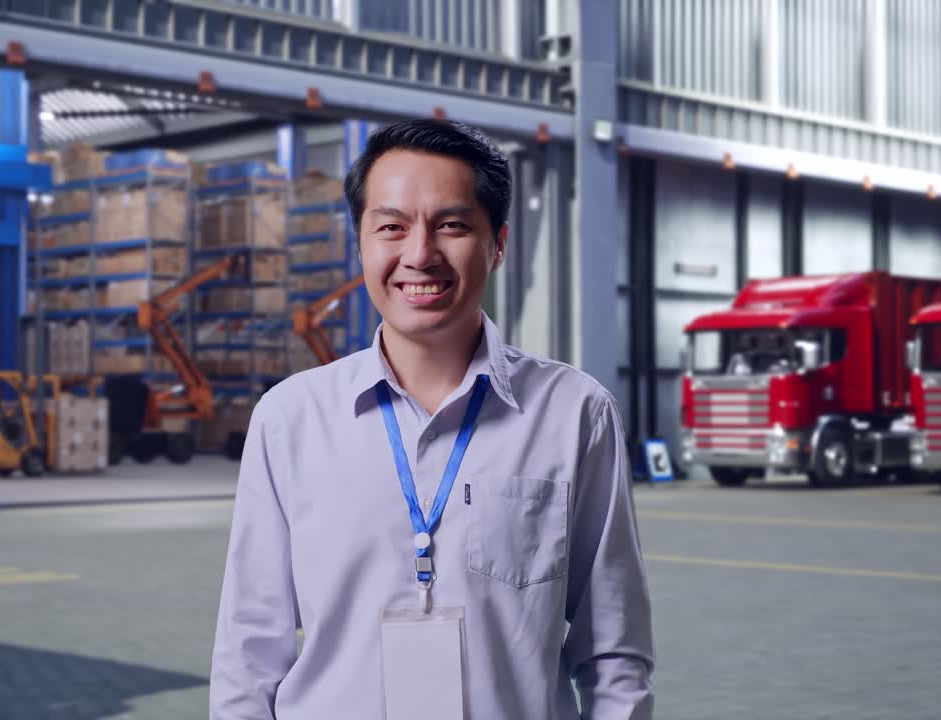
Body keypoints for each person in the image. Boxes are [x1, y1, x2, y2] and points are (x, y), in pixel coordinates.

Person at [209, 119, 654, 719]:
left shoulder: (574, 414)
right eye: (391, 227)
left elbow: (613, 652)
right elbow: (248, 651)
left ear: (498, 243)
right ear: (360, 242)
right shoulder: (290, 419)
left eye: (451, 225)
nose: (419, 254)